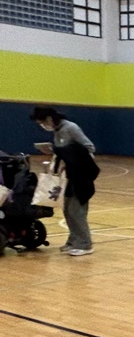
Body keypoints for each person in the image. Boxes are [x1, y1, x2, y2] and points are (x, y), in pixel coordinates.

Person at [30, 105, 100, 256]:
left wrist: (61, 151)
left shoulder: (71, 128)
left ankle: (85, 244)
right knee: (68, 210)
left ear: (49, 118)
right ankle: (73, 241)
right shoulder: (57, 131)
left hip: (80, 177)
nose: (43, 126)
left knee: (76, 212)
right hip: (68, 176)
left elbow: (89, 147)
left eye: (42, 122)